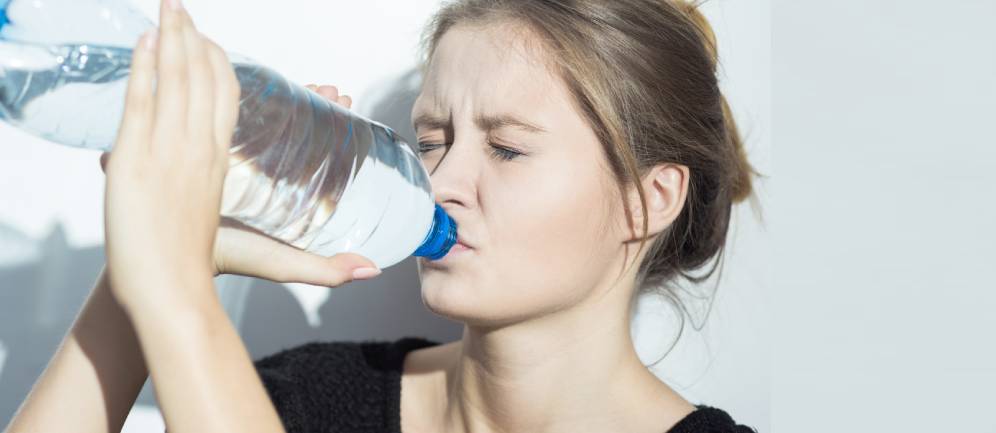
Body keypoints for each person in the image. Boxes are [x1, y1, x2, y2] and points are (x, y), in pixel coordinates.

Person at [4, 0, 760, 432]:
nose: (445, 181)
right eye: (432, 141)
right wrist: (155, 270)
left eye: (506, 149)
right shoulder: (305, 398)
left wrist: (175, 296)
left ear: (649, 198)